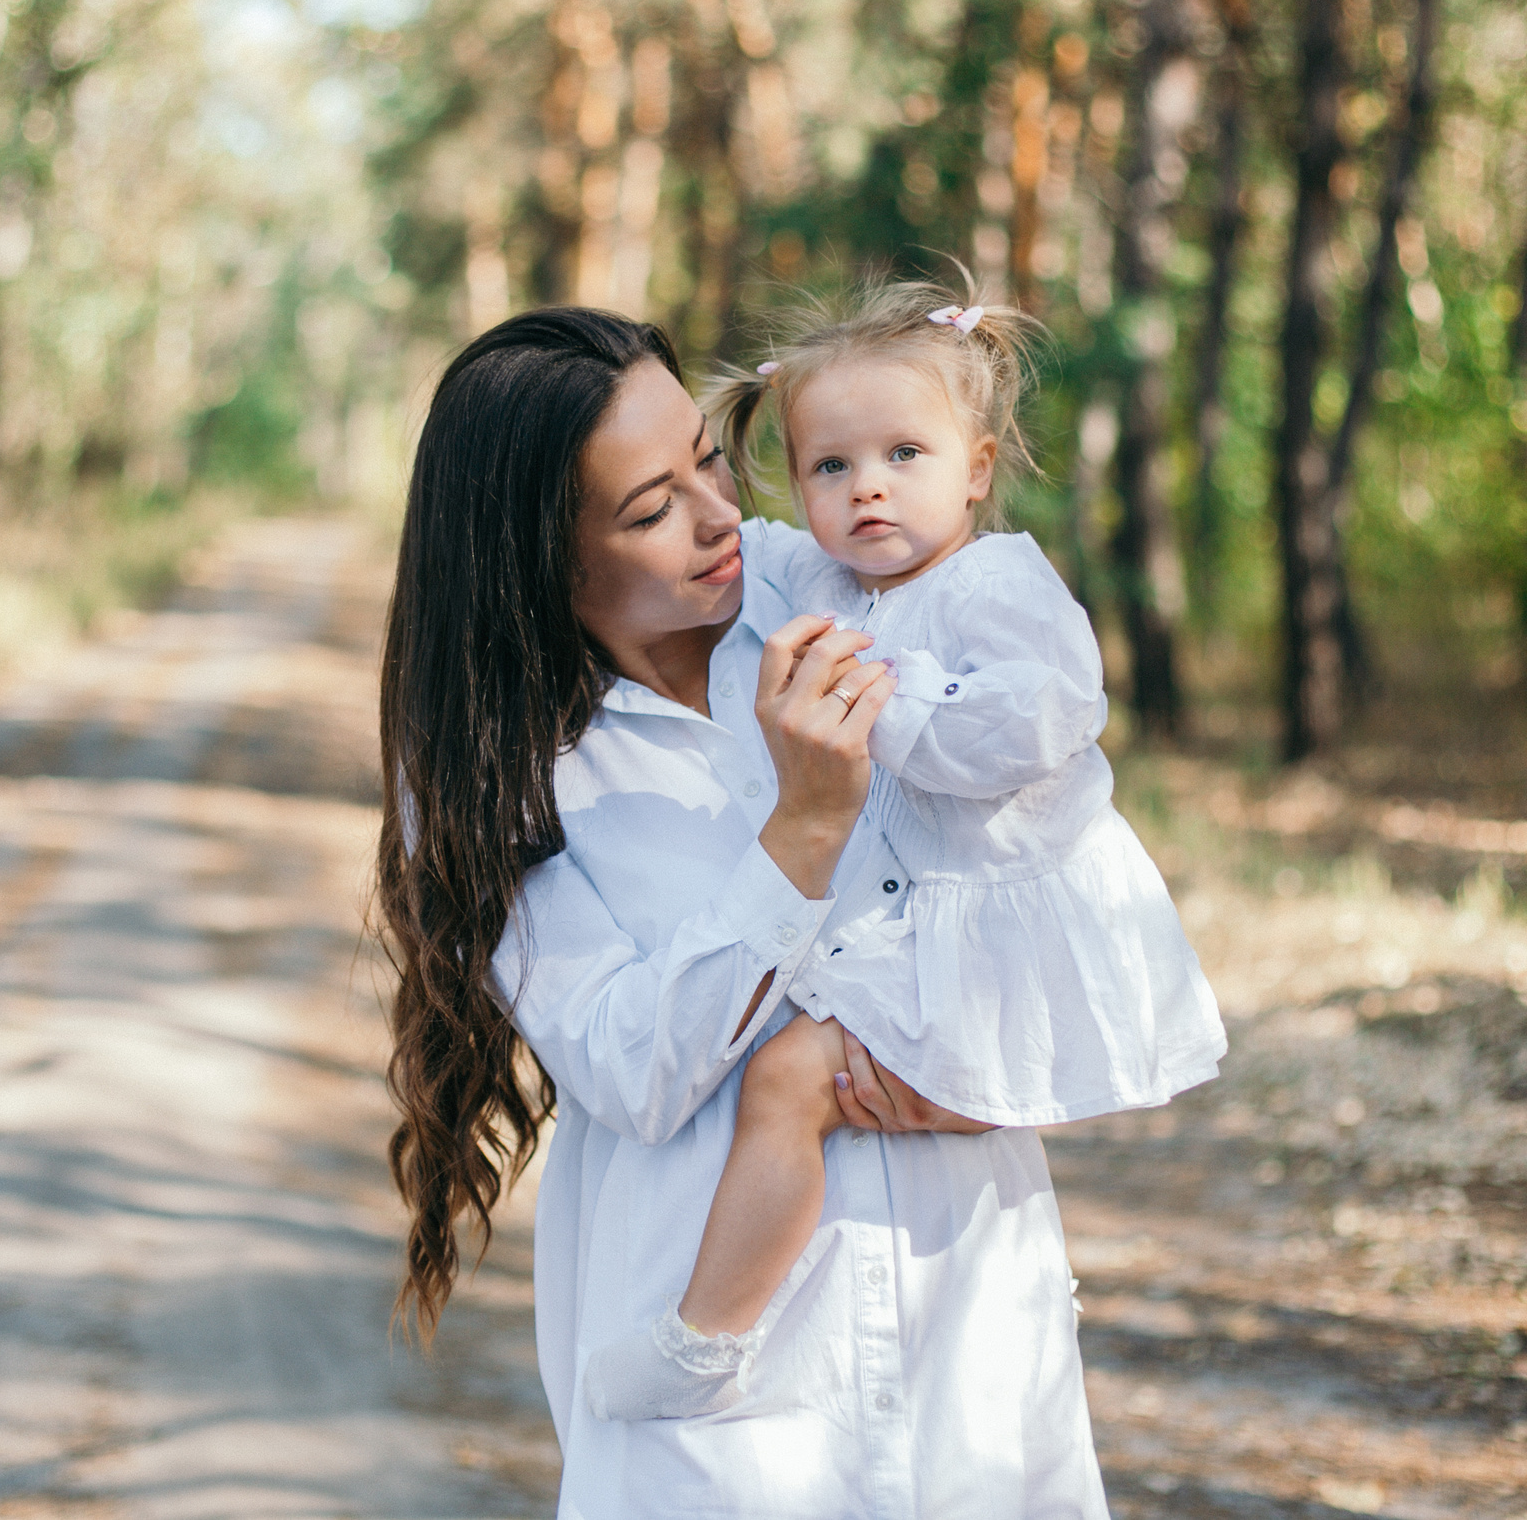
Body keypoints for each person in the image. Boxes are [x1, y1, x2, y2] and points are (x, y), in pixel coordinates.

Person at [377, 307, 1109, 1518]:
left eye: (708, 458)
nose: (722, 516)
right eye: (651, 508)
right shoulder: (502, 771)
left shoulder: (835, 584)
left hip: (962, 1292)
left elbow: (1044, 840)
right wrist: (803, 831)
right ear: (542, 558)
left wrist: (990, 1068)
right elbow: (625, 1066)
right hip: (726, 1383)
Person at [580, 281, 1227, 1422]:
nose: (866, 485)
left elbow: (1047, 717)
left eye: (903, 454)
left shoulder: (993, 584)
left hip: (989, 925)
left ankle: (701, 1339)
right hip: (914, 925)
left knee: (786, 1080)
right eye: (829, 466)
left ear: (975, 469)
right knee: (786, 1082)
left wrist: (894, 701)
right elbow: (738, 544)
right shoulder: (824, 576)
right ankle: (713, 1334)